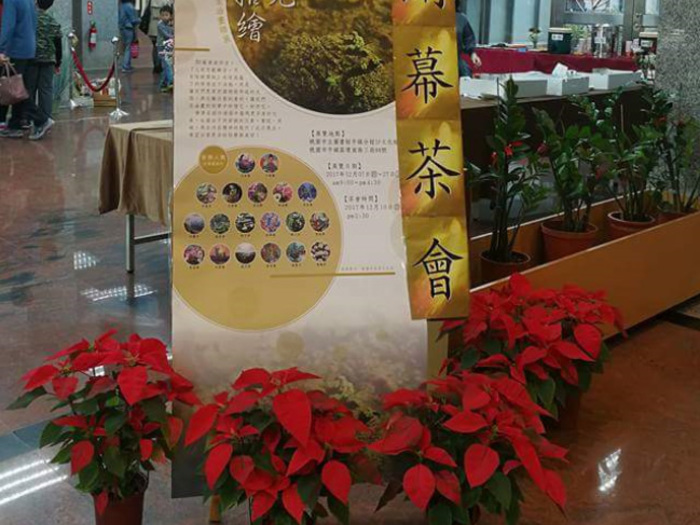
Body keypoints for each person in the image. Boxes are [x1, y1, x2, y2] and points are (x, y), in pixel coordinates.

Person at [0, 0, 53, 140]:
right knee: (19, 87)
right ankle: (15, 125)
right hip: (29, 48)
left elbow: (8, 26)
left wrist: (1, 49)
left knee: (15, 90)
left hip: (16, 49)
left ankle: (42, 120)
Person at [25, 0, 61, 123]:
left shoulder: (30, 19)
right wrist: (58, 63)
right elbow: (58, 44)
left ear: (36, 2)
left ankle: (28, 118)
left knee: (30, 89)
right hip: (49, 60)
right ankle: (46, 119)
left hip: (32, 59)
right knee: (46, 90)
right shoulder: (53, 21)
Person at [456, 0, 481, 78]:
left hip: (455, 60)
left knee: (465, 74)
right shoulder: (429, 18)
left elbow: (468, 38)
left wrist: (473, 54)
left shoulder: (461, 19)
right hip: (433, 58)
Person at [145, 0, 170, 74]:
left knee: (155, 47)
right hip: (162, 28)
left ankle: (156, 65)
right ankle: (160, 65)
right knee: (161, 47)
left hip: (153, 27)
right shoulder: (165, 2)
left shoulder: (151, 1)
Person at [118, 0, 140, 73]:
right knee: (128, 47)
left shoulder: (121, 6)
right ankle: (125, 66)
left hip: (122, 28)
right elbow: (134, 20)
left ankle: (127, 65)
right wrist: (139, 20)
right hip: (128, 28)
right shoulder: (130, 6)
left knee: (126, 47)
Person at [156, 4, 173, 92]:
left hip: (169, 46)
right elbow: (167, 35)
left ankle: (163, 84)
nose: (164, 17)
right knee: (166, 64)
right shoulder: (160, 24)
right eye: (162, 15)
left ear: (170, 15)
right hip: (161, 47)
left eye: (166, 15)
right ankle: (170, 82)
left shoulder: (170, 23)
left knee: (167, 65)